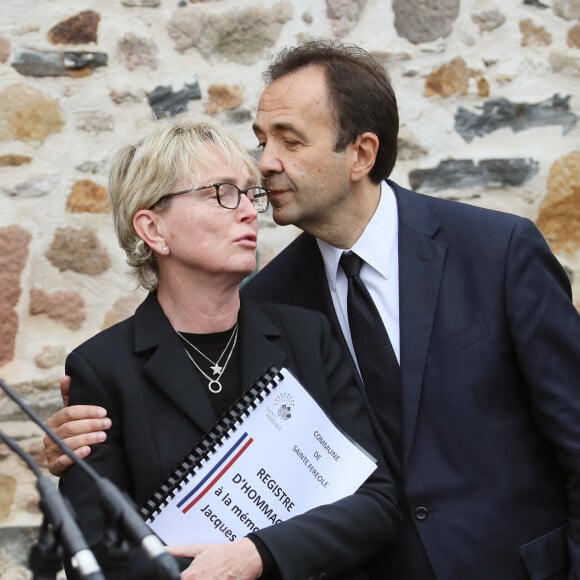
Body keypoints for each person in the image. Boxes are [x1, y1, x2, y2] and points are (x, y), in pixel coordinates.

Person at [45, 40, 580, 579]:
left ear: (362, 154)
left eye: (290, 141)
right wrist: (77, 449)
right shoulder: (264, 302)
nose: (265, 164)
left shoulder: (496, 250)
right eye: (261, 140)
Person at [51, 117, 400, 580]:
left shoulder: (307, 337)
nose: (249, 211)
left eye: (249, 193)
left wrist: (257, 554)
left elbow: (376, 502)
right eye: (221, 192)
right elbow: (96, 555)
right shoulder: (103, 369)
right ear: (153, 229)